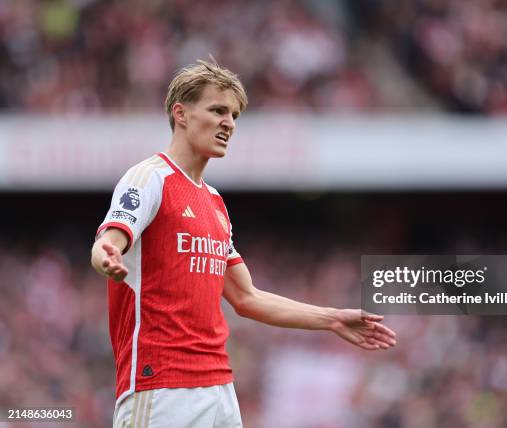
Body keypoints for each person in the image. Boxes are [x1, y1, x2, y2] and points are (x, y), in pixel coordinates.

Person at [90, 59, 397, 428]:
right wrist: (105, 253)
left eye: (234, 115)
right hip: (162, 387)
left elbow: (246, 298)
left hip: (219, 388)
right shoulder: (149, 178)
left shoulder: (215, 203)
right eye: (218, 110)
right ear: (181, 113)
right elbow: (112, 238)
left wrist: (331, 319)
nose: (229, 123)